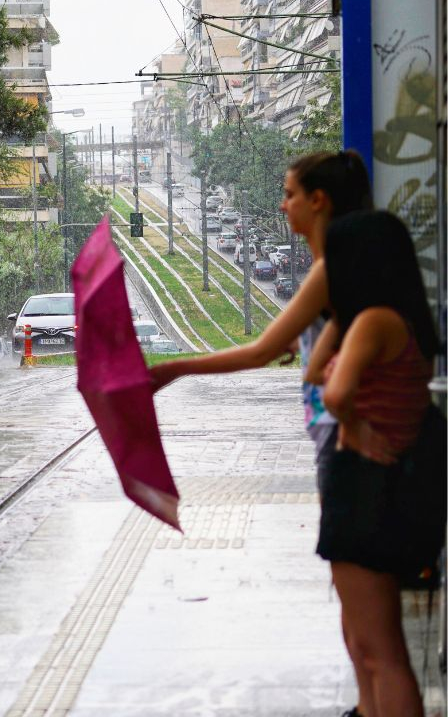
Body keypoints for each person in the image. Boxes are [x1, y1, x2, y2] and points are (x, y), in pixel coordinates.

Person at [148, 150, 373, 717]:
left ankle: (375, 704)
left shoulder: (333, 269)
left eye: (290, 193)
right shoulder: (344, 262)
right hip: (338, 435)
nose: (282, 203)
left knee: (366, 611)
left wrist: (175, 368)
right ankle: (368, 705)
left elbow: (263, 349)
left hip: (348, 437)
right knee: (358, 607)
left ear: (318, 201)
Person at [304, 211, 441, 717]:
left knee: (382, 652)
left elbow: (333, 389)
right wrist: (342, 314)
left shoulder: (374, 322)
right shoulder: (384, 320)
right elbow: (316, 369)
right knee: (370, 646)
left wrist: (355, 428)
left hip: (366, 489)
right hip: (377, 491)